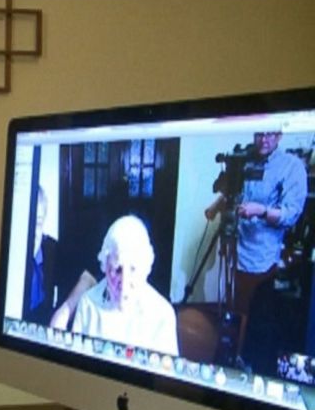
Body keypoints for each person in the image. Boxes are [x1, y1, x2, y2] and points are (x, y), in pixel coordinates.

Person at [204, 131, 308, 317]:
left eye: (270, 135)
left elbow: (291, 214)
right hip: (233, 251)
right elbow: (231, 194)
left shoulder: (291, 166)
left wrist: (262, 211)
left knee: (253, 315)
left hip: (262, 258)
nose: (264, 140)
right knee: (231, 308)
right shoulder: (244, 158)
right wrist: (214, 207)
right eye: (260, 134)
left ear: (279, 135)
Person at [72, 215, 179, 356]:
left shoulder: (162, 315)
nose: (125, 280)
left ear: (145, 268)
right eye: (117, 269)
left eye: (133, 269)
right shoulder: (88, 305)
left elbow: (165, 377)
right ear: (105, 265)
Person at [23, 187, 59, 325]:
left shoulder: (51, 249)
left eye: (37, 223)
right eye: (27, 222)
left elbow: (88, 277)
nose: (32, 232)